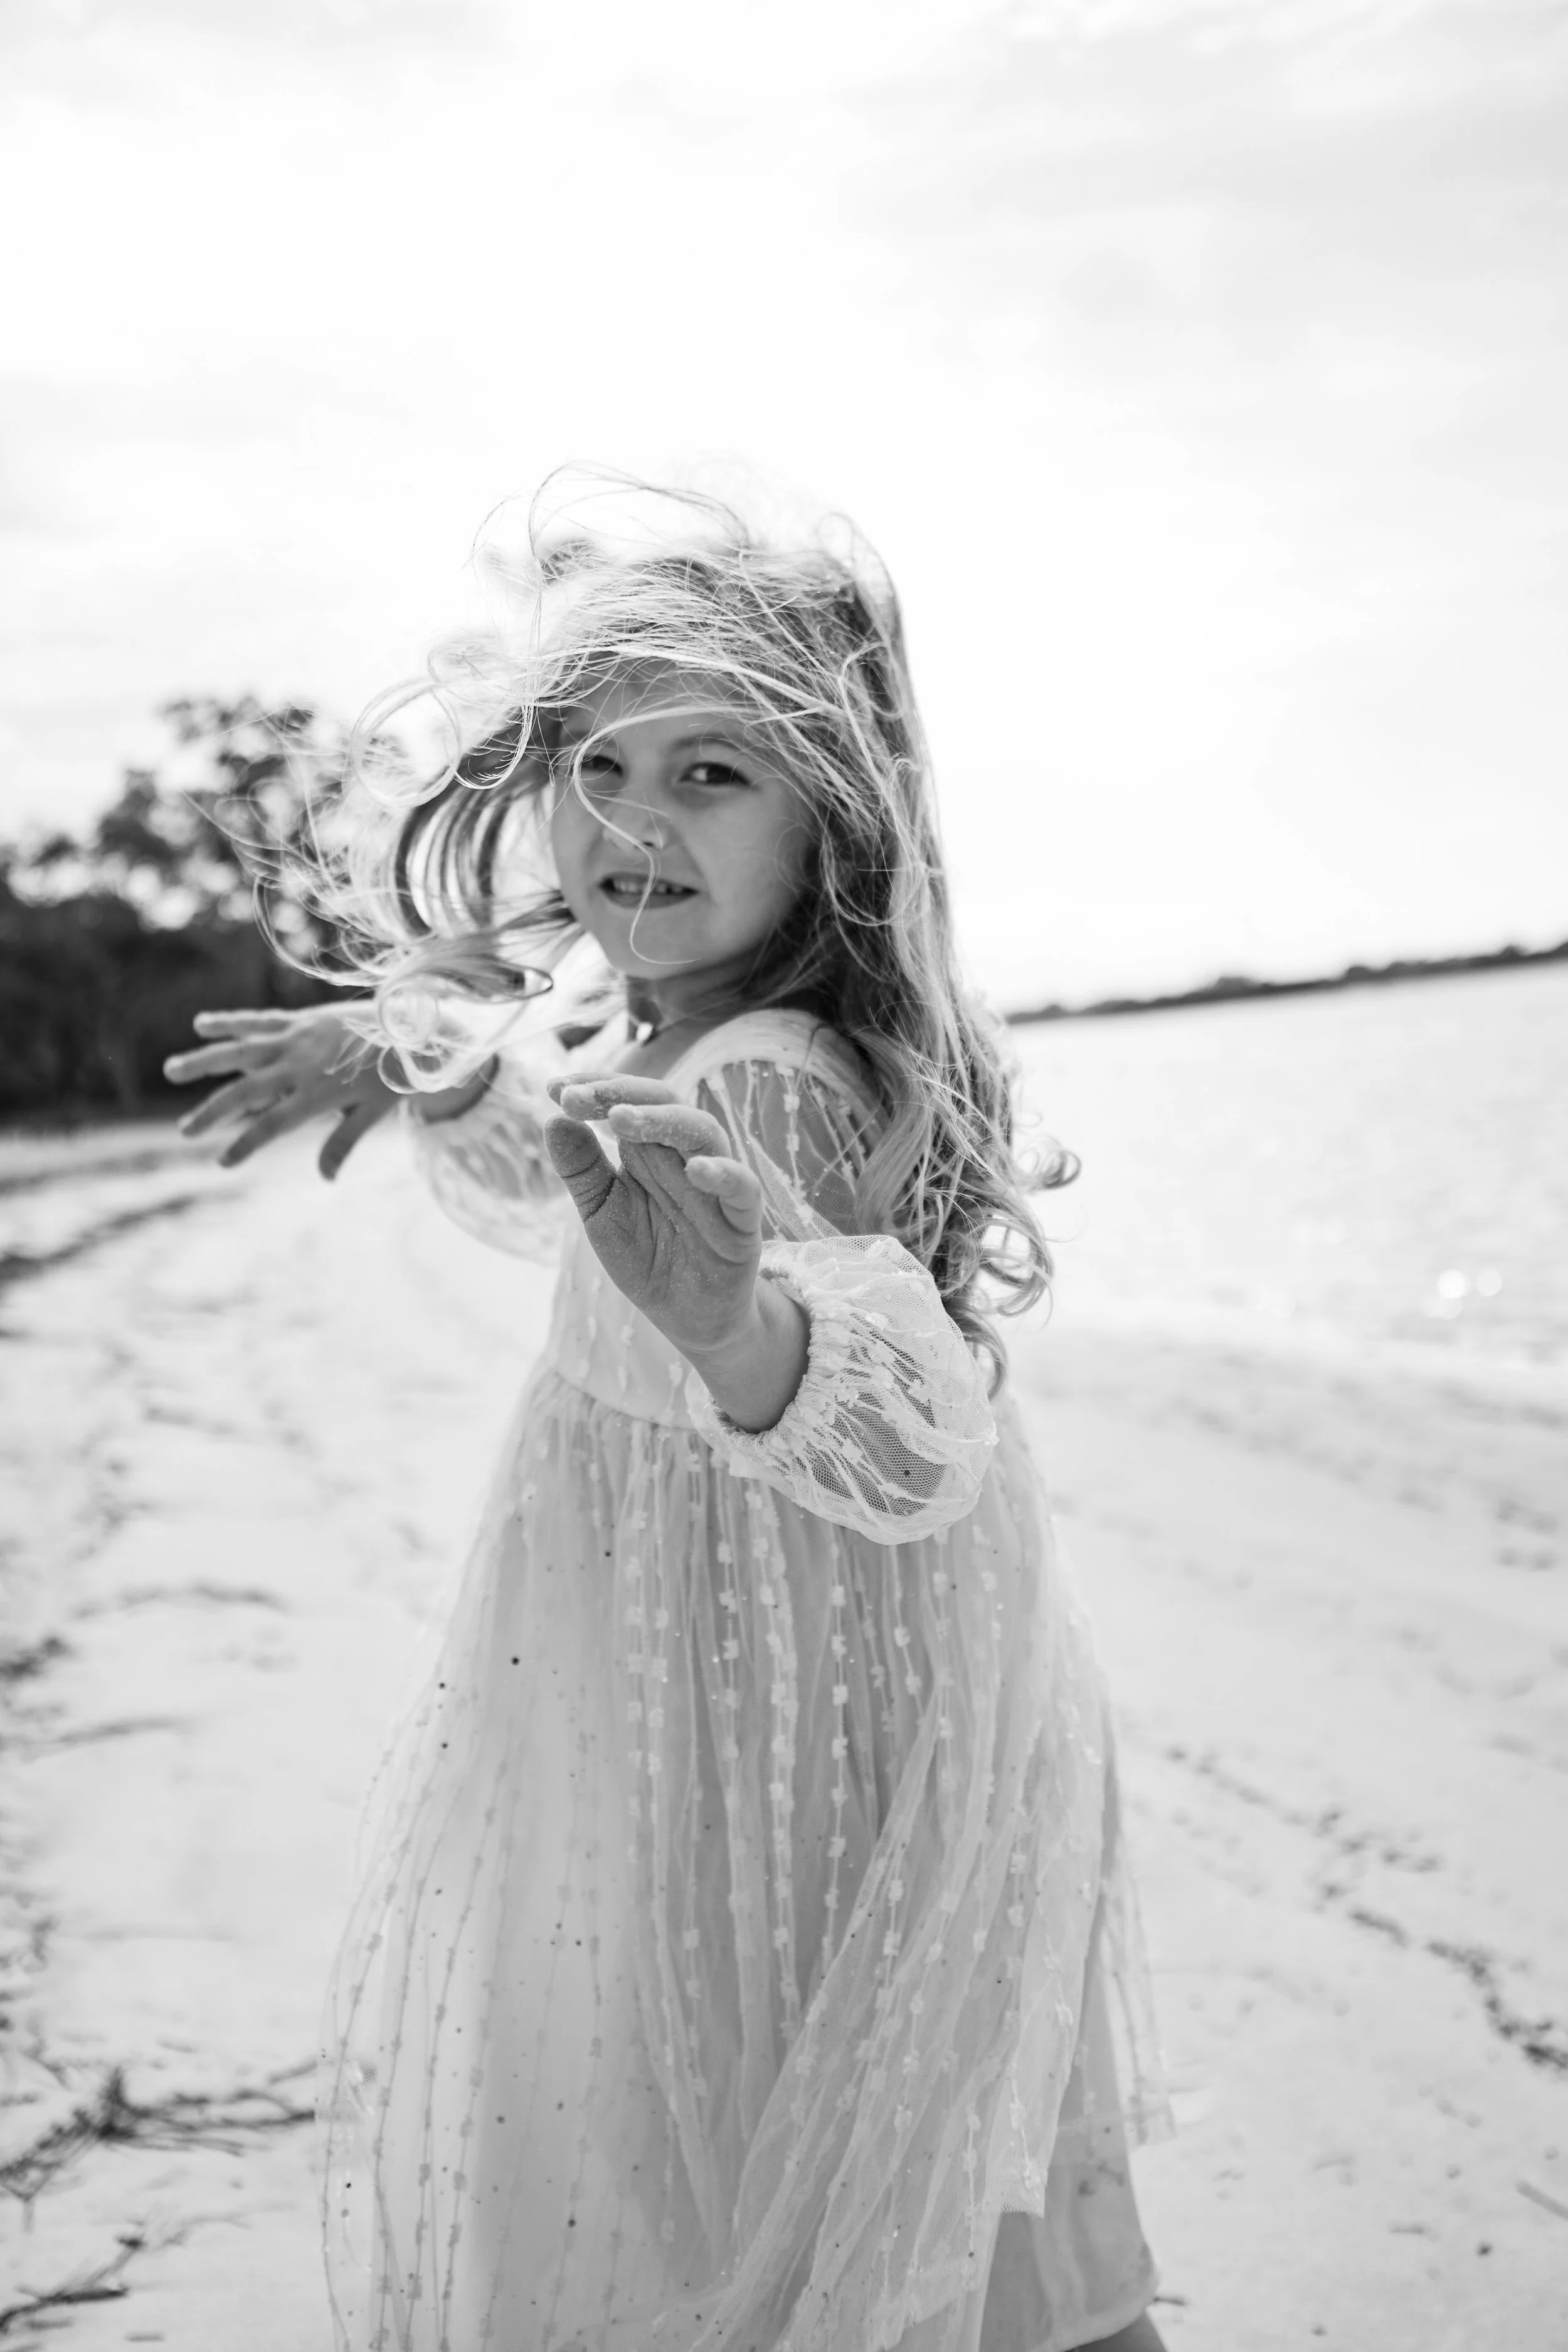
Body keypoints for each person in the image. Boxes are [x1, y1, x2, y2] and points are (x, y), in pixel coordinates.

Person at [167, 479, 1170, 2352]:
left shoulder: (769, 1076)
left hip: (813, 1756)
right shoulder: (667, 1035)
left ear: (832, 829)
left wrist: (739, 1330)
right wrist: (397, 1054)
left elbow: (901, 1430)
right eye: (601, 764)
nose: (636, 816)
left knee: (851, 2195)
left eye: (714, 773)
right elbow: (550, 1162)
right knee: (939, 2210)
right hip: (768, 1708)